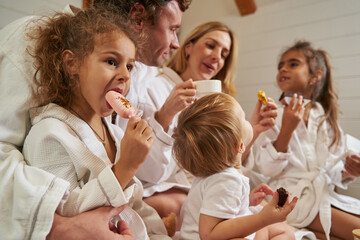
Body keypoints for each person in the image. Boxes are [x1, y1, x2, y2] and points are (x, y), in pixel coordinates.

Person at [0, 0, 191, 239]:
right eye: (112, 62)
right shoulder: (50, 133)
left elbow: (135, 205)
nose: (124, 75)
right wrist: (125, 167)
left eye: (130, 67)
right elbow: (67, 209)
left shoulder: (112, 131)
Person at [131, 21, 279, 228]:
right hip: (167, 187)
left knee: (266, 212)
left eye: (224, 54)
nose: (217, 57)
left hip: (211, 185)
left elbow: (228, 162)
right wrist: (165, 115)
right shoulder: (155, 85)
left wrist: (252, 130)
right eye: (211, 45)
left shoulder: (217, 100)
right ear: (188, 47)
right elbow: (148, 171)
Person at [253, 40, 360, 240]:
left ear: (314, 76)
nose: (283, 68)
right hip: (289, 198)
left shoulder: (322, 115)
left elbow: (331, 169)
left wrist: (347, 171)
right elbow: (267, 169)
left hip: (321, 195)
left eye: (293, 64)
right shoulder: (272, 113)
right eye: (280, 65)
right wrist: (287, 129)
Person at [171, 92, 298, 239]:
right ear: (240, 145)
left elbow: (216, 207)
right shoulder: (228, 181)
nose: (247, 121)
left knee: (278, 228)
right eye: (243, 119)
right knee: (283, 231)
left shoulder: (211, 174)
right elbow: (209, 234)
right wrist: (262, 219)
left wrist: (244, 201)